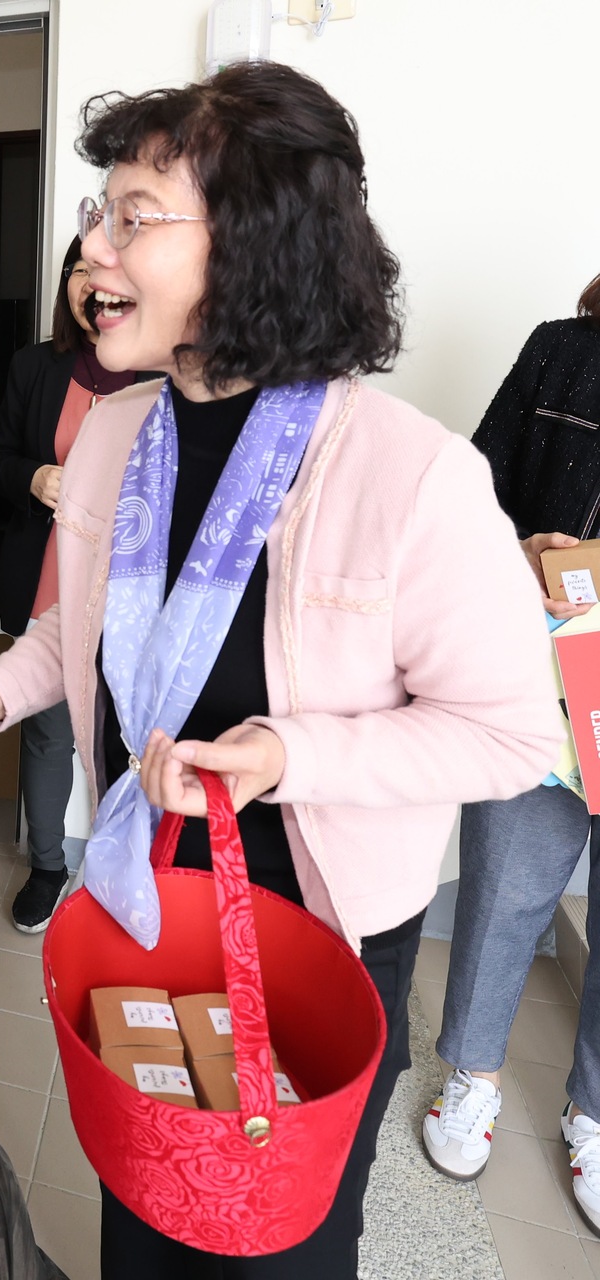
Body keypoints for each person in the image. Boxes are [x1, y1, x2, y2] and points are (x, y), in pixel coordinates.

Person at [0, 63, 560, 1277]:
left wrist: (291, 753)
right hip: (147, 900)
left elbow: (509, 731)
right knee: (149, 1198)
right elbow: (88, 638)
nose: (96, 251)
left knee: (282, 1227)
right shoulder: (118, 431)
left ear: (259, 243)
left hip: (315, 930)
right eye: (97, 212)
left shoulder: (409, 473)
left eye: (134, 215)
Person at [420, 277, 600, 1227]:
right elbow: (473, 481)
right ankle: (473, 1077)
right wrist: (522, 548)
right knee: (504, 884)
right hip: (542, 677)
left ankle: (596, 1112)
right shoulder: (561, 350)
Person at [0, 234, 150, 932]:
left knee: (138, 734)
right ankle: (49, 864)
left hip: (138, 588)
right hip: (53, 576)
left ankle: (138, 867)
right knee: (49, 732)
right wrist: (32, 476)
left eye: (112, 270)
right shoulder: (35, 366)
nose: (96, 283)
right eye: (82, 269)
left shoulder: (171, 374)